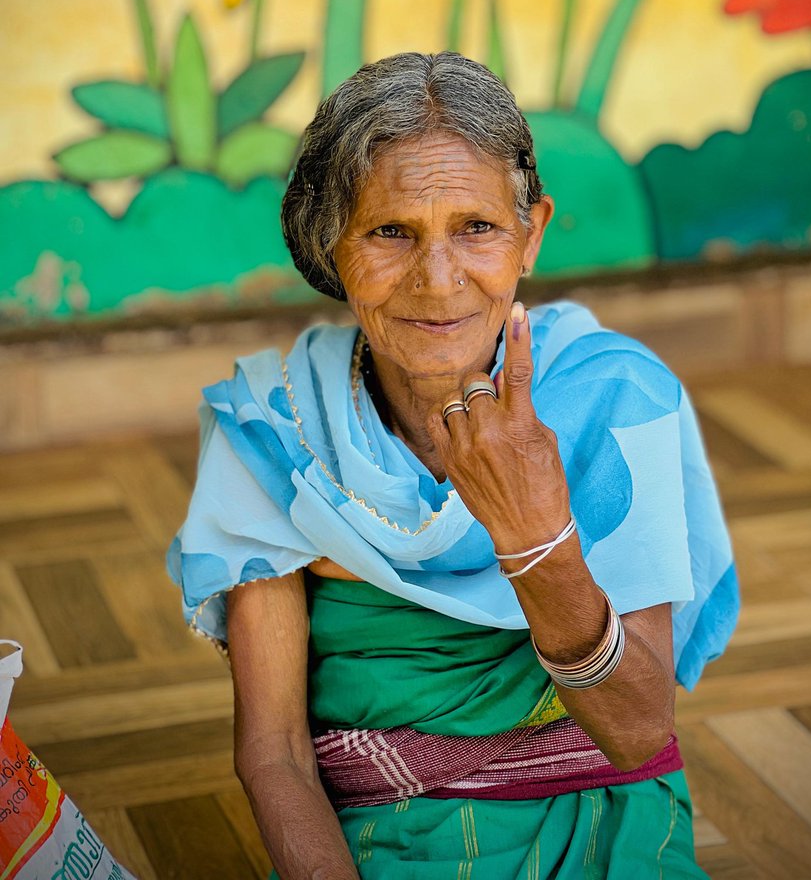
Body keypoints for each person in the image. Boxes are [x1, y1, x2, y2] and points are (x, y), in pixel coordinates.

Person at [167, 51, 738, 879]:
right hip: (385, 835)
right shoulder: (274, 428)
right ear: (331, 244)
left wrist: (534, 534)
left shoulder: (614, 400)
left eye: (476, 228)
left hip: (608, 826)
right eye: (390, 232)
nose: (439, 282)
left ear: (531, 234)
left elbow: (640, 729)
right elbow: (275, 755)